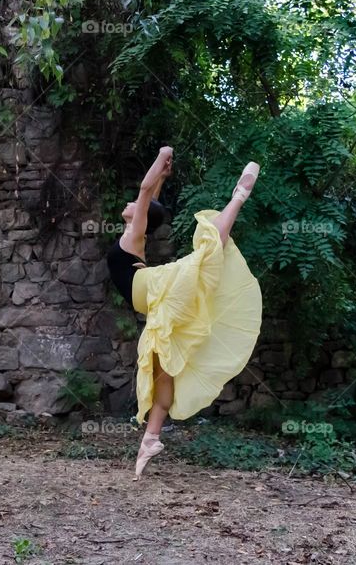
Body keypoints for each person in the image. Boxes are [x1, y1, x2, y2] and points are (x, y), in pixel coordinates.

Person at [105, 146, 263, 478]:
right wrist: (162, 176)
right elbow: (149, 198)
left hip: (156, 287)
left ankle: (238, 196)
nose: (131, 204)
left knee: (207, 250)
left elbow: (145, 193)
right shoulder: (134, 232)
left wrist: (161, 154)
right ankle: (150, 440)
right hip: (156, 299)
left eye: (135, 205)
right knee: (163, 372)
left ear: (139, 216)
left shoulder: (134, 233)